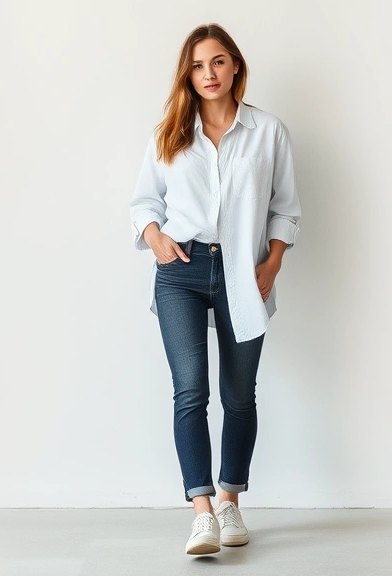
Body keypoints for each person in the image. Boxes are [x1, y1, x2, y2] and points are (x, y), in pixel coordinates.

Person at [129, 23, 302, 556]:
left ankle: (230, 500)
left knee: (239, 395)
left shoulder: (268, 131)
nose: (210, 74)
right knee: (190, 391)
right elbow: (143, 202)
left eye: (219, 62)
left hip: (245, 273)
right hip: (181, 271)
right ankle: (201, 511)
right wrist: (154, 236)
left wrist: (272, 261)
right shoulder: (171, 133)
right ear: (189, 72)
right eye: (200, 65)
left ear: (235, 68)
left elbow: (286, 209)